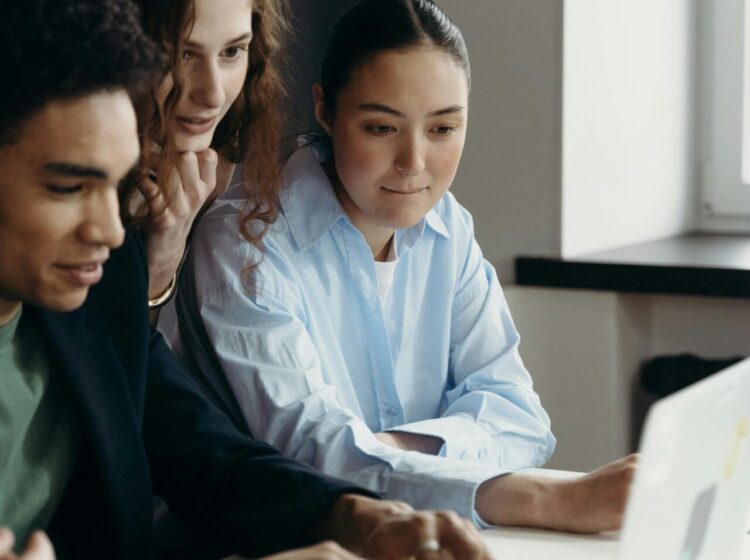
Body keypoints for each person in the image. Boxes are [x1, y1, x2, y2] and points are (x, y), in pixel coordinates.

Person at [0, 1, 492, 558]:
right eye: (68, 189)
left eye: (115, 187)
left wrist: (357, 516)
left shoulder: (97, 292)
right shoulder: (228, 240)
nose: (112, 232)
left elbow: (204, 454)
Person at [176, 0, 637, 534]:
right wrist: (541, 496)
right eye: (380, 128)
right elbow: (310, 456)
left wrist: (387, 448)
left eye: (442, 129)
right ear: (325, 111)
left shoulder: (449, 229)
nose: (414, 164)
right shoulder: (244, 244)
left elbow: (522, 421)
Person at [124, 0, 291, 325]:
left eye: (232, 52)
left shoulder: (218, 160)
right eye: (183, 55)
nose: (212, 94)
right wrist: (157, 271)